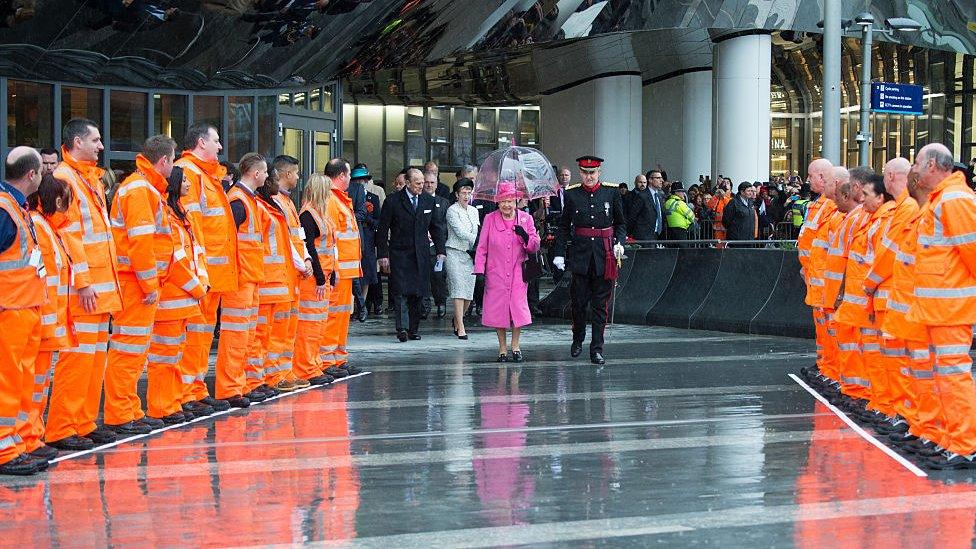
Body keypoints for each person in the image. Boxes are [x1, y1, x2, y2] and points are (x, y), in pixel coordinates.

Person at [46, 118, 124, 451]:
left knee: (92, 359)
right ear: (78, 141)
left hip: (97, 288)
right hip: (86, 289)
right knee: (77, 359)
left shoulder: (84, 179)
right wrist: (83, 280)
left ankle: (83, 422)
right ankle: (63, 427)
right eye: (96, 140)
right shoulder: (66, 178)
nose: (101, 146)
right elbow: (67, 234)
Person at [906, 143, 976, 469]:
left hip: (950, 311)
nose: (915, 168)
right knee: (944, 377)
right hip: (939, 310)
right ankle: (951, 440)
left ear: (933, 165)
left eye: (918, 162)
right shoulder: (943, 199)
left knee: (952, 376)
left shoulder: (955, 200)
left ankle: (964, 445)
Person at [104, 135, 180, 435]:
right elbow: (141, 244)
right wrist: (150, 286)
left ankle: (128, 409)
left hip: (137, 283)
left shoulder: (144, 188)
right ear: (163, 161)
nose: (173, 167)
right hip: (135, 284)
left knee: (134, 351)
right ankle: (121, 412)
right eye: (172, 161)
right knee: (128, 350)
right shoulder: (140, 190)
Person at [145, 150, 209, 424]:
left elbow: (192, 254)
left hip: (183, 297)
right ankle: (162, 407)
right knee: (164, 356)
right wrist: (197, 287)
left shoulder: (180, 214)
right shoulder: (169, 216)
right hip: (173, 296)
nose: (187, 185)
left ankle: (173, 402)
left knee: (174, 355)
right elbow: (174, 259)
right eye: (183, 182)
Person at [176, 123, 236, 412]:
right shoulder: (190, 171)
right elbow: (191, 226)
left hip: (211, 272)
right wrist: (198, 272)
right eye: (216, 140)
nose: (220, 146)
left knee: (201, 335)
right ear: (201, 142)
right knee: (194, 335)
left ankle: (195, 389)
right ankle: (187, 392)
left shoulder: (205, 175)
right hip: (202, 274)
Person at [552, 156, 626, 365]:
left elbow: (620, 223)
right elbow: (564, 227)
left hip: (604, 255)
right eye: (585, 173)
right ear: (580, 173)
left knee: (600, 305)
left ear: (599, 173)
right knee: (578, 302)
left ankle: (597, 349)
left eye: (592, 173)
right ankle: (578, 338)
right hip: (581, 255)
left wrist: (619, 242)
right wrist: (559, 252)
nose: (589, 176)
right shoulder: (572, 194)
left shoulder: (611, 193)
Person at [0, 147, 47, 474]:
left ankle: (18, 442)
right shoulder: (6, 209)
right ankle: (5, 449)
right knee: (7, 380)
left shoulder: (17, 206)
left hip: (24, 306)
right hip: (10, 309)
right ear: (32, 174)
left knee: (21, 380)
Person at [22, 174, 75, 463]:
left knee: (38, 385)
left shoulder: (48, 229)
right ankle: (27, 438)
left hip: (44, 322)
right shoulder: (41, 228)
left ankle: (32, 436)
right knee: (32, 386)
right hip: (40, 322)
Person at [220, 152, 271, 407]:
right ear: (256, 173)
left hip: (249, 278)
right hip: (240, 279)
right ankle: (230, 387)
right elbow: (228, 242)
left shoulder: (247, 200)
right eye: (265, 172)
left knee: (246, 336)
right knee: (236, 337)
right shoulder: (239, 201)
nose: (268, 176)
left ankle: (239, 384)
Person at [474, 181, 541, 362]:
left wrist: (525, 236)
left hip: (518, 271)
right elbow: (482, 247)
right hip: (496, 272)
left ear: (516, 201)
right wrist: (479, 270)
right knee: (499, 310)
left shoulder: (526, 219)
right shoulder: (490, 218)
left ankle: (516, 345)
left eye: (510, 201)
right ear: (498, 202)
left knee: (517, 309)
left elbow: (535, 246)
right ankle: (502, 348)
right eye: (503, 201)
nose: (506, 205)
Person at [377, 167, 446, 341]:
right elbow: (383, 229)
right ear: (407, 183)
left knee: (418, 292)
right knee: (400, 292)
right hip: (400, 253)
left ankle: (413, 329)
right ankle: (402, 328)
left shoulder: (427, 201)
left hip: (421, 253)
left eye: (423, 183)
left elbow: (436, 227)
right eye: (417, 183)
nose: (421, 186)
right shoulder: (393, 201)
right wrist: (383, 254)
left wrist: (440, 251)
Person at [294, 174, 338, 386]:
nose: (330, 195)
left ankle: (313, 362)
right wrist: (321, 278)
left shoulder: (321, 214)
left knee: (319, 324)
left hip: (324, 276)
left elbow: (328, 246)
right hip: (314, 279)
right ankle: (305, 367)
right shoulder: (308, 215)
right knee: (308, 326)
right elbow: (310, 248)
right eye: (327, 191)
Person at [321, 158, 362, 377]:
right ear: (342, 176)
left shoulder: (339, 199)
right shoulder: (330, 200)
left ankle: (338, 357)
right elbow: (330, 239)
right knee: (334, 315)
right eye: (348, 175)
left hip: (345, 270)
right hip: (338, 270)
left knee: (342, 315)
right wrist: (334, 268)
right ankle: (328, 360)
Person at [445, 178, 479, 339]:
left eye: (468, 193)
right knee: (458, 289)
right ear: (457, 194)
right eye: (463, 193)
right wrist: (478, 240)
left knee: (468, 293)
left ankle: (457, 319)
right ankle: (461, 326)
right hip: (455, 252)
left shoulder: (474, 210)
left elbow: (477, 229)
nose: (466, 196)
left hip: (470, 255)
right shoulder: (452, 210)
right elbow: (460, 232)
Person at [351, 165, 379, 322]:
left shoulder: (373, 198)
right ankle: (357, 305)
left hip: (368, 236)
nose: (362, 183)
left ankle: (363, 302)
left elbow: (377, 221)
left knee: (367, 272)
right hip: (356, 234)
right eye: (358, 180)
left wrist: (367, 217)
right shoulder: (350, 193)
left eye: (364, 180)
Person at [423, 170, 450, 318]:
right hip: (421, 246)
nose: (428, 185)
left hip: (438, 247)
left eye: (432, 182)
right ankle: (424, 306)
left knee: (439, 277)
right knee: (423, 278)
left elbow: (447, 224)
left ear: (437, 184)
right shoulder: (418, 199)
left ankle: (441, 303)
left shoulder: (444, 202)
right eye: (426, 182)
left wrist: (436, 236)